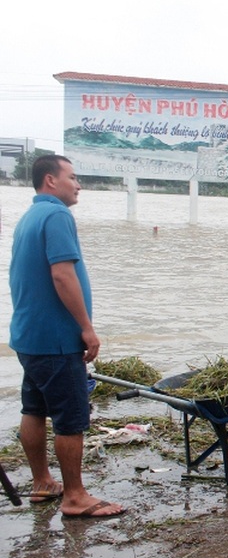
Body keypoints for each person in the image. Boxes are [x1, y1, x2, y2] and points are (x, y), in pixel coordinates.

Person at [9, 155, 125, 519]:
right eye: (72, 177)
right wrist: (86, 328)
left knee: (34, 408)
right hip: (57, 339)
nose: (78, 185)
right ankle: (75, 496)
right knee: (70, 418)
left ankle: (43, 481)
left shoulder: (29, 217)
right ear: (50, 180)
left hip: (29, 337)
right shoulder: (58, 215)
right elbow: (62, 276)